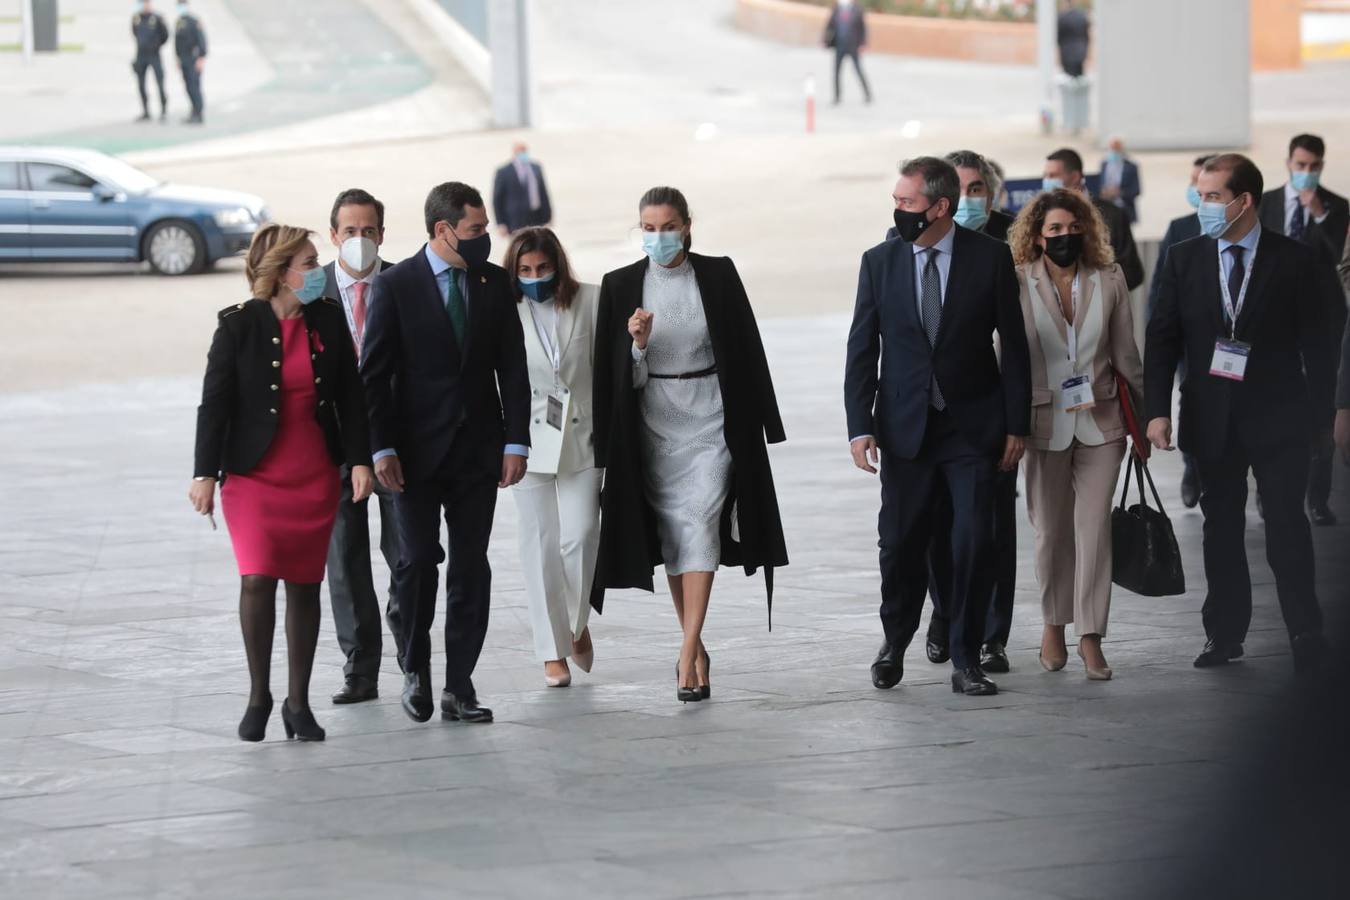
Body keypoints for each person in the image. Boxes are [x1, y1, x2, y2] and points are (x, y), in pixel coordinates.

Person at [592, 186, 788, 704]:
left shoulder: (718, 274)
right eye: (649, 229)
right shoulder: (620, 286)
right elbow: (613, 379)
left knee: (701, 522)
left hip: (713, 419)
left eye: (667, 226)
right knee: (677, 536)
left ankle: (684, 653)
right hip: (655, 422)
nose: (659, 237)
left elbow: (746, 345)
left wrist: (763, 423)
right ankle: (695, 646)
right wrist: (635, 346)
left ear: (686, 224)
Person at [845, 156, 1031, 697]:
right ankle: (894, 640)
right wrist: (860, 427)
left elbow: (1014, 349)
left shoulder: (990, 259)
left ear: (939, 207)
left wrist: (1016, 424)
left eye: (907, 202)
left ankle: (966, 656)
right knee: (900, 544)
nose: (898, 210)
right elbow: (862, 350)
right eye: (897, 201)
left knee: (974, 541)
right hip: (904, 431)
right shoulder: (879, 262)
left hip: (972, 429)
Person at [1145, 153, 1335, 674]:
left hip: (1279, 417)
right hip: (1212, 418)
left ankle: (1305, 629)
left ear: (1243, 201)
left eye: (1212, 197)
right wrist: (1156, 411)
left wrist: (1324, 418)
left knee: (1286, 526)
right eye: (1202, 196)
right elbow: (1162, 338)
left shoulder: (1295, 260)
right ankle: (1224, 635)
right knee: (1220, 528)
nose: (1203, 206)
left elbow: (1322, 346)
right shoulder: (1185, 258)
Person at [190, 224, 373, 743]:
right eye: (310, 263)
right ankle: (258, 695)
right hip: (251, 477)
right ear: (281, 271)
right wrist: (204, 473)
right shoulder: (236, 327)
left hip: (312, 474)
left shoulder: (328, 321)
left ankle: (298, 702)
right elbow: (215, 405)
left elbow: (352, 399)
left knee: (303, 584)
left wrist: (359, 461)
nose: (318, 271)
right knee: (256, 578)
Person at [360, 182, 531, 725]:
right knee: (415, 564)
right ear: (443, 230)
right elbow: (374, 377)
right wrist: (381, 446)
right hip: (410, 457)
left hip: (478, 453)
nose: (486, 239)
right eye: (477, 230)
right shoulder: (395, 285)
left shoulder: (493, 283)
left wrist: (516, 440)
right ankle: (415, 669)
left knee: (470, 568)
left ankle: (459, 684)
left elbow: (513, 367)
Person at [1008, 188, 1143, 680]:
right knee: (1050, 534)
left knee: (1094, 530)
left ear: (1085, 228)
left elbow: (1127, 354)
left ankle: (1091, 636)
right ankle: (1053, 624)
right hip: (1042, 422)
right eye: (1054, 230)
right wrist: (1007, 425)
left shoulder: (1108, 278)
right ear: (1037, 237)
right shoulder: (1018, 281)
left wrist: (1146, 421)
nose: (1065, 236)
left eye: (1072, 227)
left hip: (1102, 421)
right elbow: (1006, 358)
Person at [898, 149, 1019, 674]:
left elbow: (1015, 343)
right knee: (931, 531)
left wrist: (1016, 421)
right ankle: (945, 614)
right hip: (921, 421)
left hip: (980, 415)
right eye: (961, 190)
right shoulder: (897, 248)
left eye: (977, 191)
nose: (969, 201)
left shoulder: (1007, 246)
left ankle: (990, 636)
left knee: (986, 531)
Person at [505, 227, 601, 688]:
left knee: (581, 535)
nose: (534, 277)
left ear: (557, 265)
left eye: (542, 268)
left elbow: (614, 369)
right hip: (525, 440)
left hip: (583, 435)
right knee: (538, 543)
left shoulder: (592, 300)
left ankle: (574, 626)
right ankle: (552, 651)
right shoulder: (506, 311)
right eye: (525, 270)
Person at [319, 189, 397, 705]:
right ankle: (360, 667)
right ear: (334, 235)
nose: (360, 240)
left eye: (369, 230)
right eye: (350, 231)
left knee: (408, 555)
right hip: (332, 448)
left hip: (398, 442)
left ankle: (411, 654)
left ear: (382, 235)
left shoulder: (404, 284)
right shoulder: (313, 290)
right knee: (345, 561)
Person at [1257, 134, 1350, 526]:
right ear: (1289, 162)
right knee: (1270, 413)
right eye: (1301, 165)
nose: (1307, 173)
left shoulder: (1338, 207)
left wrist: (1320, 215)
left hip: (1322, 328)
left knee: (1321, 416)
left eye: (1314, 166)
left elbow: (1340, 264)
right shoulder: (1267, 203)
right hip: (1275, 327)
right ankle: (1267, 492)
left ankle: (1318, 498)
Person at [1150, 155, 1215, 510]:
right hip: (1190, 343)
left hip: (1234, 346)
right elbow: (1160, 288)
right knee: (1192, 402)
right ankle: (1192, 466)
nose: (1197, 192)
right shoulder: (1180, 229)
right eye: (1193, 184)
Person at [1044, 148, 1144, 290]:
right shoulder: (1041, 217)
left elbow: (1133, 273)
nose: (1047, 181)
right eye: (1046, 176)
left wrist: (1096, 291)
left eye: (1053, 175)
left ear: (1075, 177)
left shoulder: (1112, 215)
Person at [493, 143, 553, 237]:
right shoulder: (504, 171)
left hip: (536, 216)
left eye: (524, 151)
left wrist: (548, 217)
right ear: (514, 153)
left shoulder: (536, 168)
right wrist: (500, 223)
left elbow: (543, 193)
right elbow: (497, 199)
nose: (523, 154)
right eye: (520, 152)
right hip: (515, 220)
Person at [823, 0, 871, 106]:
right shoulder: (836, 8)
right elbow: (829, 25)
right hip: (840, 45)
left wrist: (863, 43)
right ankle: (837, 97)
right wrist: (826, 40)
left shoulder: (857, 9)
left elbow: (863, 28)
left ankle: (868, 95)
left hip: (853, 46)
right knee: (836, 72)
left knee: (858, 70)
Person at [131, 1, 169, 123]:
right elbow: (134, 33)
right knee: (141, 84)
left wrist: (156, 45)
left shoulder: (157, 18)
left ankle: (163, 109)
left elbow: (165, 35)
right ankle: (146, 111)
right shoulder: (136, 18)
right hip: (141, 55)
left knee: (159, 82)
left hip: (154, 55)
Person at [174, 1, 207, 125]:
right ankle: (193, 111)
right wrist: (177, 57)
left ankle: (199, 113)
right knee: (188, 87)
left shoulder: (194, 22)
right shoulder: (179, 22)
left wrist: (201, 58)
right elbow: (177, 42)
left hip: (193, 59)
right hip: (183, 59)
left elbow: (202, 41)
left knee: (195, 87)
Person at [1097, 137, 1142, 224]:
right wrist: (1104, 192)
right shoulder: (1104, 164)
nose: (1114, 151)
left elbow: (1137, 190)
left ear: (1122, 149)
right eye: (1112, 148)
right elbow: (1099, 185)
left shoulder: (1131, 167)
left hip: (1125, 209)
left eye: (1116, 148)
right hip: (1106, 209)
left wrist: (1120, 192)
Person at [1057, 0, 1091, 79]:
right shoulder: (1082, 16)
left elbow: (1059, 37)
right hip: (1080, 51)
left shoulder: (1062, 17)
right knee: (1079, 77)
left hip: (1066, 52)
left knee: (1068, 78)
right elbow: (1086, 36)